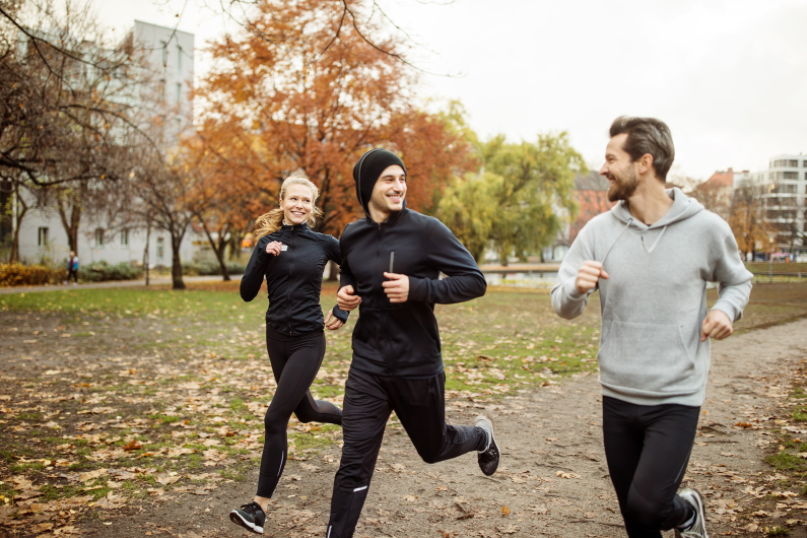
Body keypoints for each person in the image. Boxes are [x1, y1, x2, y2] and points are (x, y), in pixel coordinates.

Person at [551, 117, 753, 538]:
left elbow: (738, 280)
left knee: (648, 505)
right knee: (635, 519)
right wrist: (575, 288)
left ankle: (686, 511)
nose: (603, 169)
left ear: (644, 162)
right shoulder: (599, 231)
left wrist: (726, 310)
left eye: (611, 159)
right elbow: (562, 304)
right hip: (618, 395)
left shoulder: (706, 228)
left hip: (676, 397)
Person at [325, 148, 500, 538]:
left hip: (416, 366)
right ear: (367, 185)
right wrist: (345, 300)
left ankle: (481, 435)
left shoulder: (426, 230)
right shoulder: (351, 235)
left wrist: (418, 288)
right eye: (389, 178)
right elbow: (350, 275)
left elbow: (474, 281)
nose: (399, 186)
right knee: (353, 461)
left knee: (432, 448)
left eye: (402, 178)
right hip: (367, 365)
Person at [229, 176, 350, 535]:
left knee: (274, 418)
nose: (299, 204)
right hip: (276, 339)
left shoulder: (325, 243)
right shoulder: (268, 242)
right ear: (282, 202)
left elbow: (354, 268)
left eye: (306, 200)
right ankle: (357, 422)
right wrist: (261, 260)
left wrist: (343, 307)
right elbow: (247, 293)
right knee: (307, 410)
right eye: (293, 198)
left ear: (313, 206)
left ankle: (259, 508)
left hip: (308, 341)